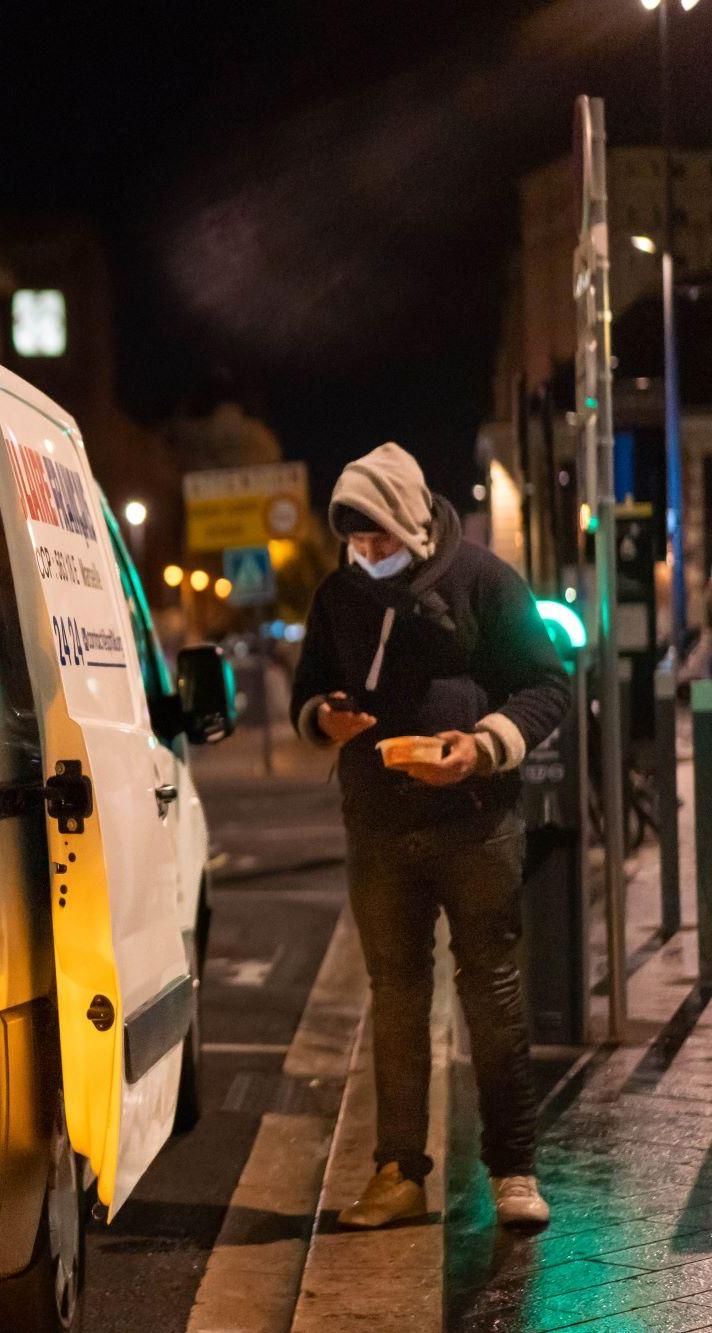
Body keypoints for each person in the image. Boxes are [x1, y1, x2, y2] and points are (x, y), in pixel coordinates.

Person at [290, 442, 569, 1231]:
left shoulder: (484, 579)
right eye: (355, 539)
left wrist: (480, 744)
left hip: (475, 824)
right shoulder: (337, 593)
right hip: (378, 827)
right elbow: (308, 686)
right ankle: (397, 1172)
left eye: (379, 537)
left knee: (493, 993)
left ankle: (513, 1169)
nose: (368, 554)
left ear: (412, 520)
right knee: (398, 1000)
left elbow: (546, 683)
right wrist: (322, 718)